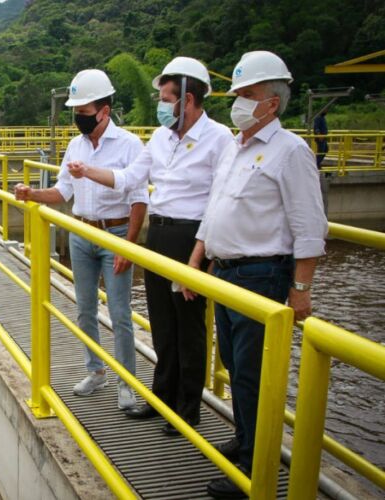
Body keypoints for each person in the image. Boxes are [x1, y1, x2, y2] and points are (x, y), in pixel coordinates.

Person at [183, 51, 328, 499]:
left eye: (247, 95)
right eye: (237, 95)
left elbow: (310, 227)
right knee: (230, 360)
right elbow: (215, 211)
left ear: (273, 102)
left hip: (261, 275)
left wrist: (300, 289)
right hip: (225, 273)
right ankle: (245, 439)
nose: (238, 103)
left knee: (250, 373)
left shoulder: (290, 152)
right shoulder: (236, 146)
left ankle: (253, 467)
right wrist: (195, 264)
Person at [65, 57, 234, 435]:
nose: (160, 103)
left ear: (188, 98)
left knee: (188, 326)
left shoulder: (219, 138)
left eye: (165, 97)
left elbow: (219, 202)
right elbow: (128, 179)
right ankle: (161, 401)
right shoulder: (161, 138)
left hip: (192, 237)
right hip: (158, 236)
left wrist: (197, 260)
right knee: (162, 324)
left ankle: (187, 409)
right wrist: (87, 171)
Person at [14, 69, 148, 410]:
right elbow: (62, 191)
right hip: (81, 232)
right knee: (85, 309)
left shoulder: (130, 144)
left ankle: (126, 383)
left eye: (84, 113)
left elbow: (138, 199)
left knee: (119, 313)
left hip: (115, 234)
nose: (79, 119)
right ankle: (96, 371)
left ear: (104, 111)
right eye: (76, 113)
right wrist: (32, 194)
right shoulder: (76, 145)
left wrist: (129, 246)